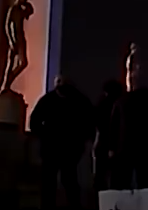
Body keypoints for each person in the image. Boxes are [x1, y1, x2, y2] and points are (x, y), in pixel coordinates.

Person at [31, 75, 95, 209]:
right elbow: (90, 124)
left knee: (55, 180)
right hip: (65, 147)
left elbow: (34, 122)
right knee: (66, 179)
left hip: (56, 147)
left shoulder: (48, 100)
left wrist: (45, 135)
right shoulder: (80, 100)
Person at [111, 50, 148, 190]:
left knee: (125, 182)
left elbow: (113, 125)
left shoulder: (122, 101)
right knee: (144, 180)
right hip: (144, 147)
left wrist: (112, 147)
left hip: (126, 148)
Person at [93, 79, 126, 191]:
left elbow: (97, 124)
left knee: (100, 175)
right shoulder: (122, 104)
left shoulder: (101, 104)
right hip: (119, 145)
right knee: (116, 177)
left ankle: (99, 197)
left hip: (103, 143)